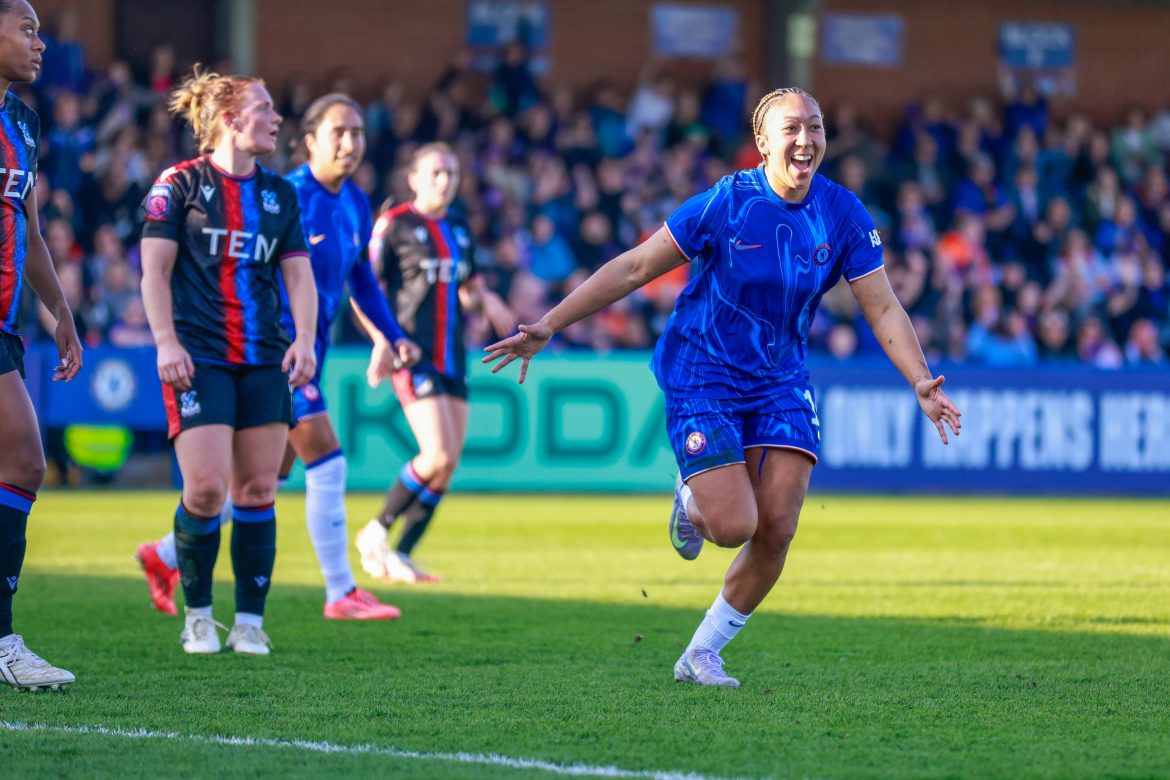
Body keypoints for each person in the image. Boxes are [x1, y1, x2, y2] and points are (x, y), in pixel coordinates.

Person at [484, 87, 962, 688]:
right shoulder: (726, 202)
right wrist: (550, 323)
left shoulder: (843, 212)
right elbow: (636, 267)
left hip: (780, 376)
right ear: (762, 143)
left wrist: (920, 380)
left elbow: (884, 306)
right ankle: (690, 501)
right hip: (702, 368)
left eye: (815, 128)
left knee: (779, 526)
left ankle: (701, 653)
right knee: (734, 524)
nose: (806, 140)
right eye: (791, 129)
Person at [135, 94, 420, 620]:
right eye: (339, 132)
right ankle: (340, 592)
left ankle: (165, 553)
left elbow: (361, 277)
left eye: (358, 132)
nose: (351, 143)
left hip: (309, 352)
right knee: (328, 461)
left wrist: (391, 333)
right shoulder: (284, 196)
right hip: (270, 352)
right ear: (309, 140)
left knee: (260, 483)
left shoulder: (356, 202)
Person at [138, 66, 318, 655]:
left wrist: (306, 338)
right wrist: (166, 341)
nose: (276, 119)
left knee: (259, 488)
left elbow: (299, 275)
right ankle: (197, 615)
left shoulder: (280, 194)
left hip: (264, 358)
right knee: (209, 489)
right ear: (228, 120)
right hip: (198, 357)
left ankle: (249, 623)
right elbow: (154, 273)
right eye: (263, 108)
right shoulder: (180, 184)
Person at [355, 142, 515, 584]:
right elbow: (363, 286)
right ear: (414, 179)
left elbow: (469, 287)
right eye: (437, 173)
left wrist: (491, 302)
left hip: (453, 355)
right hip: (412, 352)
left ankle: (402, 554)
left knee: (448, 463)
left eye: (452, 174)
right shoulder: (394, 225)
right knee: (436, 453)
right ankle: (376, 531)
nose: (446, 181)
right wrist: (382, 340)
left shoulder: (459, 229)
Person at [0, 0, 84, 692]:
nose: (41, 43)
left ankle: (1, 639)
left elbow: (27, 228)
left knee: (25, 462)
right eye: (26, 28)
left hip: (3, 328)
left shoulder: (23, 123)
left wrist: (60, 311)